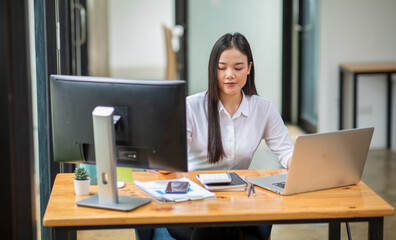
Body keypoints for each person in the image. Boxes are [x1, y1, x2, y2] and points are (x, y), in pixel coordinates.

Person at [137, 32, 294, 240]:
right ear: (214, 70)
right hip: (189, 203)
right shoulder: (191, 107)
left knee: (218, 225)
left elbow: (286, 151)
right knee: (216, 226)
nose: (230, 75)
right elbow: (171, 158)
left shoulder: (263, 109)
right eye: (222, 68)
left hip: (237, 203)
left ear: (249, 68)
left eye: (238, 68)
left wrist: (298, 164)